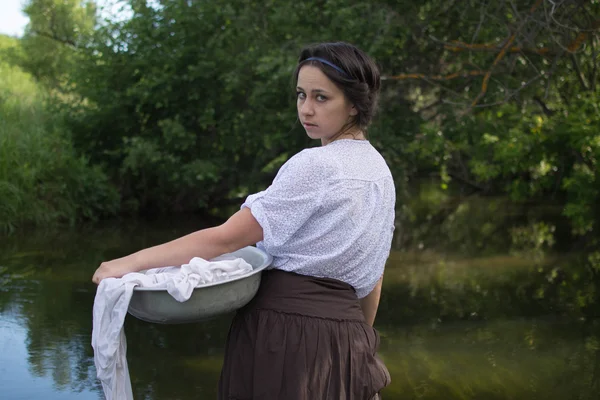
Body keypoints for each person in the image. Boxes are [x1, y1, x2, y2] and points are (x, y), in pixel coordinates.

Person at [92, 41, 395, 400]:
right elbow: (374, 277)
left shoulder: (315, 166)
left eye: (321, 98)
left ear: (355, 104)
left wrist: (128, 264)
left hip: (285, 337)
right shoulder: (380, 172)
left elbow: (223, 240)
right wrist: (357, 343)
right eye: (301, 95)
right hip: (348, 338)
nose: (306, 109)